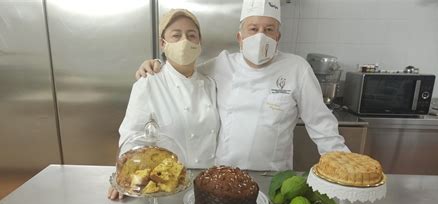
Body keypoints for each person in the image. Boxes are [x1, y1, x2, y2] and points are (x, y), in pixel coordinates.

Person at [136, 0, 349, 172]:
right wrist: (156, 65)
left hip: (272, 176)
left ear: (278, 37)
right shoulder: (221, 64)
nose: (260, 36)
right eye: (253, 28)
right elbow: (183, 72)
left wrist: (344, 166)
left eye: (269, 29)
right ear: (240, 37)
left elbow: (321, 125)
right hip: (222, 174)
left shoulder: (297, 68)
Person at [108, 9, 220, 200]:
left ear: (199, 43)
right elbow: (131, 135)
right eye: (176, 35)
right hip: (165, 188)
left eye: (191, 35)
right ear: (163, 43)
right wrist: (127, 176)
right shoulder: (148, 82)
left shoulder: (210, 83)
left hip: (207, 186)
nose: (184, 41)